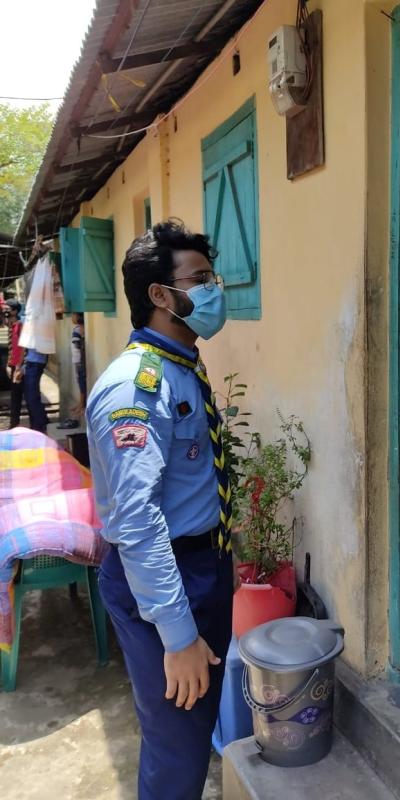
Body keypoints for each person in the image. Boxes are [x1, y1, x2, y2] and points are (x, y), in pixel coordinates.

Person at [86, 220, 233, 800]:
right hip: (166, 581)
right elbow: (138, 522)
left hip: (199, 568)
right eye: (200, 279)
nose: (213, 290)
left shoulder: (177, 368)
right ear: (160, 295)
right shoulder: (136, 387)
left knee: (192, 733)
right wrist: (176, 636)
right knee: (178, 743)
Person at [3, 300, 25, 428]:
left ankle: (14, 424)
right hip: (13, 365)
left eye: (8, 309)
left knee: (17, 395)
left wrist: (17, 367)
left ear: (15, 311)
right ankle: (14, 424)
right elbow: (11, 348)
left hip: (18, 365)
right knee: (15, 395)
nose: (5, 311)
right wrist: (8, 364)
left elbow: (21, 348)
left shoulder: (19, 325)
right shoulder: (11, 326)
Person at [22, 346, 49, 433]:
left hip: (35, 362)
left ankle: (41, 425)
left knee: (32, 397)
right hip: (31, 362)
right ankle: (38, 425)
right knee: (30, 396)